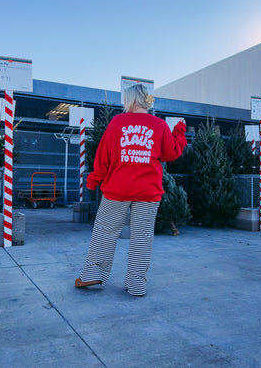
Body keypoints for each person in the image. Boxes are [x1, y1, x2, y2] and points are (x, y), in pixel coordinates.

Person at [75, 83, 187, 296]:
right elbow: (170, 154)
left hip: (117, 189)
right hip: (148, 191)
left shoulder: (118, 122)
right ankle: (137, 284)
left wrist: (93, 180)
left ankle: (92, 276)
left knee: (105, 232)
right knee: (142, 237)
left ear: (130, 100)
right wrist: (179, 132)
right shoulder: (159, 125)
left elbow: (104, 156)